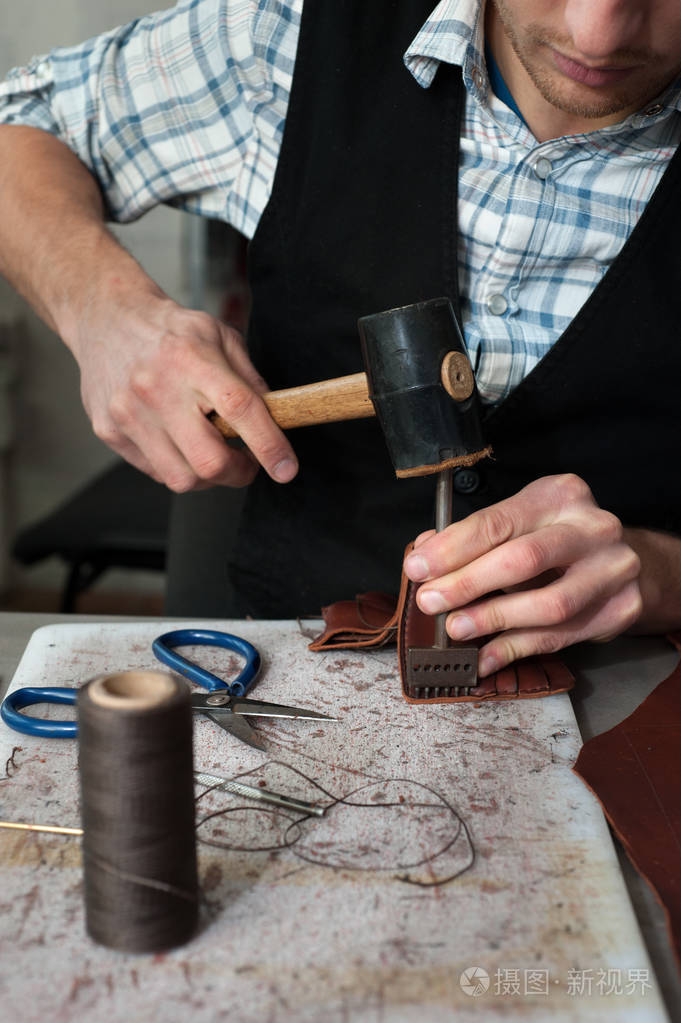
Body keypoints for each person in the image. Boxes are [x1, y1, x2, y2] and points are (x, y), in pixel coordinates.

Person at [1, 0, 681, 678]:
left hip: (631, 708)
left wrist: (658, 574)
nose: (597, 34)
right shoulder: (291, 40)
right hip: (287, 675)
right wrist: (102, 307)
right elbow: (20, 123)